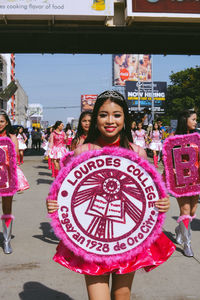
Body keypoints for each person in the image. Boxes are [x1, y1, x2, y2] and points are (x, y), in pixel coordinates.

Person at [47, 91, 175, 300]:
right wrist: (54, 205)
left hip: (129, 237)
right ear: (95, 118)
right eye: (103, 114)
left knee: (122, 295)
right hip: (91, 240)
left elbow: (149, 194)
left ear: (125, 119)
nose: (110, 121)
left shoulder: (137, 152)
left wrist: (162, 203)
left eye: (116, 115)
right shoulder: (82, 151)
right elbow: (66, 192)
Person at [173, 110, 198, 257]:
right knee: (186, 210)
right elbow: (169, 160)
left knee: (193, 211)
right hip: (181, 181)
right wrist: (174, 171)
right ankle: (187, 243)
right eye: (193, 119)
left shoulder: (197, 137)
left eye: (196, 119)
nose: (195, 122)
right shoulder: (174, 139)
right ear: (185, 120)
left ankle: (179, 229)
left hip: (196, 179)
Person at [0, 110, 19, 254]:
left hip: (6, 177)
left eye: (1, 121)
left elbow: (15, 158)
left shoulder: (12, 137)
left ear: (6, 122)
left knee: (7, 208)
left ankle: (6, 240)